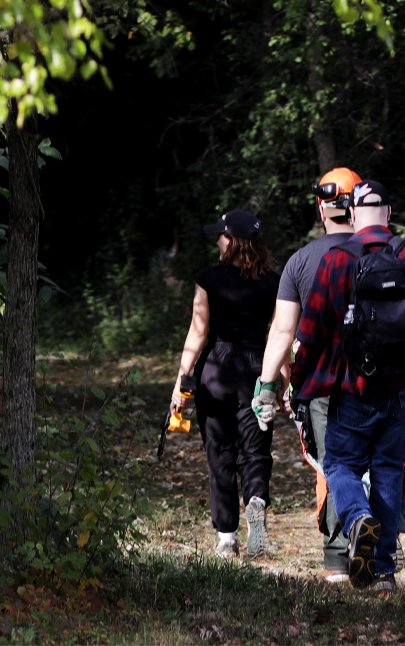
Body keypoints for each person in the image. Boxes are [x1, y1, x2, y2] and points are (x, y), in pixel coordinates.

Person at [288, 180, 405, 591]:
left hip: (352, 387)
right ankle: (384, 573)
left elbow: (312, 333)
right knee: (387, 469)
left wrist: (300, 385)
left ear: (355, 213)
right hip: (404, 387)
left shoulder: (337, 259)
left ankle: (358, 518)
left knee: (340, 465)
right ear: (390, 213)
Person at [255, 167, 362, 581]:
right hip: (380, 381)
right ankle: (383, 550)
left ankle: (339, 558)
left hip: (322, 383)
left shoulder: (301, 261)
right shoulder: (383, 251)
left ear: (322, 207)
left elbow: (283, 330)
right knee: (379, 462)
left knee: (334, 465)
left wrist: (269, 384)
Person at [169, 210, 283, 559]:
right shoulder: (274, 282)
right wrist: (288, 384)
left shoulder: (208, 278)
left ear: (231, 240)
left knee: (220, 453)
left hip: (216, 371)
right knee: (255, 449)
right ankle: (257, 498)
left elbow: (198, 331)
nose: (217, 240)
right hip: (257, 368)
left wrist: (181, 382)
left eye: (221, 235)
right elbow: (282, 335)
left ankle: (227, 538)